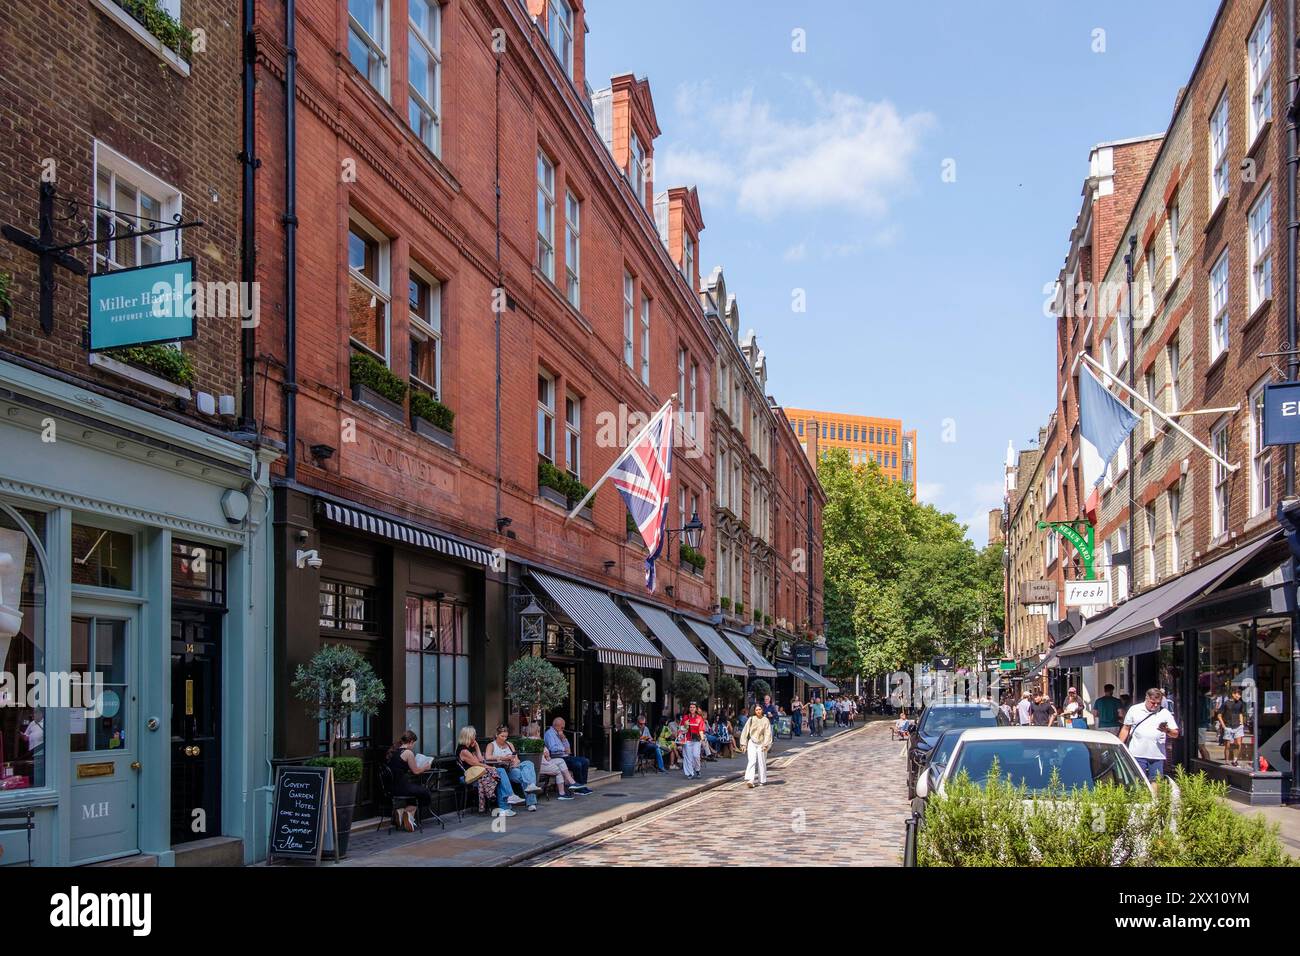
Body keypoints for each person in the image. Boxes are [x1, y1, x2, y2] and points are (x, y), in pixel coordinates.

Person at [457, 726, 523, 817]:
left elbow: (481, 760)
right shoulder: (463, 750)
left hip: (479, 774)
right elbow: (477, 764)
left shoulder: (470, 748)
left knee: (498, 775)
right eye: (474, 736)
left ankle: (505, 806)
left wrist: (476, 746)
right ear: (469, 737)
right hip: (468, 777)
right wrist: (490, 767)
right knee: (499, 772)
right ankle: (507, 801)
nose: (475, 738)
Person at [1119, 688, 1181, 782]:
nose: (1155, 705)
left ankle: (1154, 797)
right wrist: (1120, 746)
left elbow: (1175, 734)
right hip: (1137, 753)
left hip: (1157, 755)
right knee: (1138, 781)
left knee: (1156, 781)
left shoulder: (1164, 713)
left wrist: (1166, 730)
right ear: (1146, 699)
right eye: (1152, 702)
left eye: (1158, 703)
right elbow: (1125, 728)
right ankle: (1140, 797)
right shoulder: (1135, 709)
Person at [485, 725, 541, 811]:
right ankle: (531, 799)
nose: (504, 738)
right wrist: (504, 758)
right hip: (502, 770)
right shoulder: (491, 745)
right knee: (526, 776)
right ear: (497, 735)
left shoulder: (510, 744)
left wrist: (515, 762)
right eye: (502, 736)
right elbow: (488, 757)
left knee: (528, 765)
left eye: (506, 736)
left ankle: (531, 788)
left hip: (512, 769)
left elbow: (517, 759)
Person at [385, 731, 436, 824]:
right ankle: (407, 812)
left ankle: (403, 814)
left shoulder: (394, 751)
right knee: (425, 792)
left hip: (391, 788)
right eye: (414, 744)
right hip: (402, 787)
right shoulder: (408, 753)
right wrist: (426, 767)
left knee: (416, 792)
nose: (413, 746)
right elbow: (416, 771)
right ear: (411, 741)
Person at [525, 722, 579, 799]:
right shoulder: (538, 742)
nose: (540, 732)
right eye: (539, 731)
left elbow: (547, 757)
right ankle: (562, 793)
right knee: (558, 769)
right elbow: (547, 756)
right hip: (541, 765)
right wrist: (547, 756)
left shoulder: (527, 741)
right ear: (536, 731)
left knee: (560, 760)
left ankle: (571, 782)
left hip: (539, 764)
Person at [544, 717, 591, 791]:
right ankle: (578, 788)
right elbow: (552, 748)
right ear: (557, 726)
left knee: (585, 761)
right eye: (562, 727)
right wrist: (564, 749)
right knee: (577, 764)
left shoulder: (559, 733)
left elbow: (568, 748)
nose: (563, 729)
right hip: (557, 757)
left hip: (565, 756)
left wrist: (563, 738)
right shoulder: (549, 734)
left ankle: (582, 785)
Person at [739, 704, 772, 788]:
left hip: (761, 743)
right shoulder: (751, 719)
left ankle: (762, 780)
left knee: (762, 762)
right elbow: (745, 731)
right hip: (752, 742)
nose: (758, 711)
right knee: (752, 760)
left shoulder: (766, 720)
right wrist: (743, 743)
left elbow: (768, 733)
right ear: (754, 711)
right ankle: (750, 780)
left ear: (762, 710)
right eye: (756, 710)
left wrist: (766, 744)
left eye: (760, 709)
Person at [1215, 686, 1247, 767]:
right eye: (1237, 694)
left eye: (1240, 695)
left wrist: (1242, 723)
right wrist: (1223, 726)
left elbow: (1240, 713)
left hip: (1238, 726)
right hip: (1228, 726)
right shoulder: (1226, 703)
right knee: (1228, 745)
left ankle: (1235, 760)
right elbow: (1219, 715)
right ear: (1233, 694)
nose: (1238, 696)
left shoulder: (1240, 703)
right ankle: (1226, 761)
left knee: (1238, 744)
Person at [679, 701, 708, 779]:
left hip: (696, 740)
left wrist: (703, 740)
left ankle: (697, 770)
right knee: (688, 757)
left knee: (696, 756)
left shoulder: (699, 718)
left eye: (693, 707)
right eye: (690, 707)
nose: (692, 708)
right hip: (687, 739)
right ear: (689, 708)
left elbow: (701, 730)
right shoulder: (685, 717)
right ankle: (690, 773)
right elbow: (682, 730)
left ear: (696, 709)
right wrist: (685, 725)